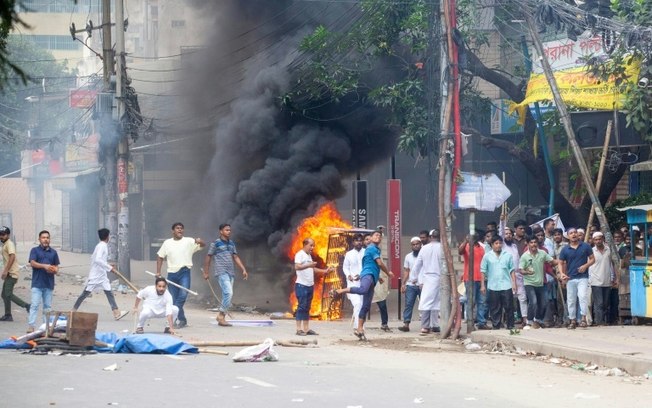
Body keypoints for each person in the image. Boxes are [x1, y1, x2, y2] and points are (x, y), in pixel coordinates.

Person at [331, 230, 393, 340]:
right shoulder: (370, 248)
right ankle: (340, 291)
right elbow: (378, 263)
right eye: (376, 235)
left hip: (369, 278)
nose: (378, 237)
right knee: (359, 301)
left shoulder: (369, 250)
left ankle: (360, 329)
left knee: (365, 305)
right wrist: (388, 273)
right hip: (362, 279)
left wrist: (378, 277)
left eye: (380, 236)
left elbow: (370, 265)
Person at [72, 229, 129, 320]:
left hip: (102, 275)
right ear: (107, 237)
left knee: (109, 292)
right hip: (95, 275)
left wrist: (108, 265)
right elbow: (98, 259)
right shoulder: (102, 246)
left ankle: (116, 312)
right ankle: (73, 311)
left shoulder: (101, 246)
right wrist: (110, 268)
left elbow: (98, 259)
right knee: (85, 293)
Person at [156, 222, 205, 328]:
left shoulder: (189, 241)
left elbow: (202, 246)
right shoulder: (167, 243)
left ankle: (172, 316)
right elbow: (160, 256)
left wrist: (200, 241)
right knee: (174, 298)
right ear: (173, 231)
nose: (180, 230)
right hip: (171, 274)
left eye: (182, 228)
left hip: (184, 272)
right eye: (177, 228)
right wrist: (158, 272)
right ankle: (182, 320)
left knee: (182, 295)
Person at [203, 223, 248, 327]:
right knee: (229, 293)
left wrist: (243, 269)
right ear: (221, 231)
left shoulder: (231, 243)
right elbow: (208, 257)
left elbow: (235, 257)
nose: (229, 232)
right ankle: (221, 315)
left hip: (230, 272)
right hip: (221, 271)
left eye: (229, 230)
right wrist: (206, 272)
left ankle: (221, 317)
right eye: (226, 230)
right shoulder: (215, 243)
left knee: (226, 294)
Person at [559, 227, 595, 329]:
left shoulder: (585, 246)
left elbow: (593, 259)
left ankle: (583, 319)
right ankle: (573, 320)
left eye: (575, 232)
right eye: (571, 233)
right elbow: (560, 263)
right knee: (571, 300)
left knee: (583, 296)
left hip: (583, 277)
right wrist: (562, 273)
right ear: (568, 236)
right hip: (570, 278)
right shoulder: (565, 249)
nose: (574, 235)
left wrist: (585, 266)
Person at [294, 238, 331, 336]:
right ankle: (298, 329)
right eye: (311, 245)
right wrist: (309, 265)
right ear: (305, 244)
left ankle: (306, 329)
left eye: (313, 245)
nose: (312, 248)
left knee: (307, 307)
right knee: (301, 307)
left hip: (310, 285)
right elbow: (297, 267)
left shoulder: (308, 255)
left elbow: (312, 269)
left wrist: (324, 271)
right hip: (301, 285)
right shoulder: (299, 254)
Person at [519, 236, 556, 329]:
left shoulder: (542, 253)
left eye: (535, 242)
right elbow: (521, 270)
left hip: (541, 282)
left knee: (544, 302)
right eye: (531, 242)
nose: (533, 244)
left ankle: (538, 320)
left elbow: (552, 261)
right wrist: (526, 272)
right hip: (529, 283)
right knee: (533, 302)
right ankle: (529, 321)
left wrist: (561, 261)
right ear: (528, 244)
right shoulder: (525, 256)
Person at [27, 230, 60, 333]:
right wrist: (44, 266)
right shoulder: (34, 250)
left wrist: (55, 270)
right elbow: (32, 263)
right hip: (37, 283)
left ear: (49, 239)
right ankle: (31, 326)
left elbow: (56, 267)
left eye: (47, 238)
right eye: (43, 237)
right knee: (35, 305)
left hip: (49, 284)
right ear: (39, 239)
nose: (45, 239)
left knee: (47, 307)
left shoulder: (54, 252)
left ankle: (45, 328)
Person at [480, 236, 516, 330]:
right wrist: (483, 285)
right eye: (496, 243)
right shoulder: (487, 256)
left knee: (509, 307)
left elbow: (512, 270)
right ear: (492, 245)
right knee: (495, 308)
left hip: (506, 285)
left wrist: (514, 283)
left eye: (500, 243)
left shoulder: (507, 255)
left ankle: (510, 326)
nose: (498, 245)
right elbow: (483, 271)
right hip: (493, 285)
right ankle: (496, 326)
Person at [413, 229, 444, 334]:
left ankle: (428, 326)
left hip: (428, 278)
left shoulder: (424, 248)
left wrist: (414, 277)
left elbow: (417, 264)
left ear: (430, 237)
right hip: (440, 278)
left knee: (428, 302)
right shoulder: (442, 248)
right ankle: (432, 325)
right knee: (435, 302)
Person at [458, 231, 488, 329]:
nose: (473, 238)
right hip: (469, 278)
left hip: (482, 278)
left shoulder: (482, 247)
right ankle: (470, 322)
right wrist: (465, 241)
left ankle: (481, 322)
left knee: (482, 301)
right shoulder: (466, 246)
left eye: (475, 237)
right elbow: (460, 251)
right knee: (471, 301)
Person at [0, 226, 30, 322]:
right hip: (9, 273)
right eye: (0, 234)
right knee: (4, 295)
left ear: (8, 235)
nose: (1, 236)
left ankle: (26, 305)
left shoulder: (9, 244)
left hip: (12, 273)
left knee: (8, 294)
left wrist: (5, 270)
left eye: (3, 235)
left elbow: (12, 257)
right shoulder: (5, 244)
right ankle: (8, 315)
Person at [588, 232, 617, 326]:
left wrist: (614, 277)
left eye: (599, 239)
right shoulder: (591, 251)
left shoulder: (609, 250)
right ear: (593, 241)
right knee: (599, 303)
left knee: (605, 303)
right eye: (596, 239)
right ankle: (599, 321)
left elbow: (612, 264)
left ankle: (603, 320)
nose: (598, 241)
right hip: (595, 280)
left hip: (607, 280)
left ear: (603, 239)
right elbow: (588, 266)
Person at [503, 227, 527, 326]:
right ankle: (508, 321)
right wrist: (502, 220)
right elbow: (501, 232)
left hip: (518, 275)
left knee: (522, 298)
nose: (508, 235)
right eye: (506, 233)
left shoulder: (514, 246)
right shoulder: (503, 245)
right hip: (507, 276)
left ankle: (525, 320)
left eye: (510, 233)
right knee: (508, 300)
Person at [398, 237, 422, 332]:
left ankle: (427, 325)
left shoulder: (424, 255)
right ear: (411, 246)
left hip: (422, 284)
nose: (416, 246)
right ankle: (406, 324)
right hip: (411, 285)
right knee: (408, 304)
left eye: (417, 244)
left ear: (420, 244)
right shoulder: (408, 256)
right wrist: (403, 284)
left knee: (424, 305)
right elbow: (406, 271)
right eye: (413, 244)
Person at [342, 234, 364, 330]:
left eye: (360, 240)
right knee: (357, 304)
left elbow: (368, 266)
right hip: (352, 284)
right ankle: (358, 327)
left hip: (363, 283)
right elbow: (345, 267)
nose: (359, 242)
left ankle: (360, 325)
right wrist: (348, 275)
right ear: (353, 242)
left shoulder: (366, 252)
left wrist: (362, 275)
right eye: (356, 240)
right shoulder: (349, 254)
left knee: (362, 305)